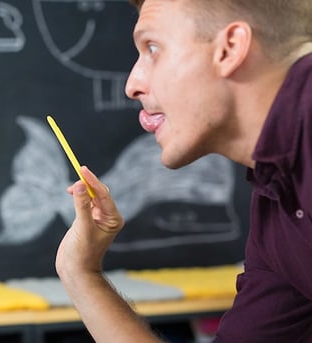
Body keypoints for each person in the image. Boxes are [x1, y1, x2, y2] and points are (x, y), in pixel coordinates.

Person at [55, 0, 312, 342]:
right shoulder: (277, 203)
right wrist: (80, 272)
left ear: (230, 48)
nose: (132, 84)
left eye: (153, 47)